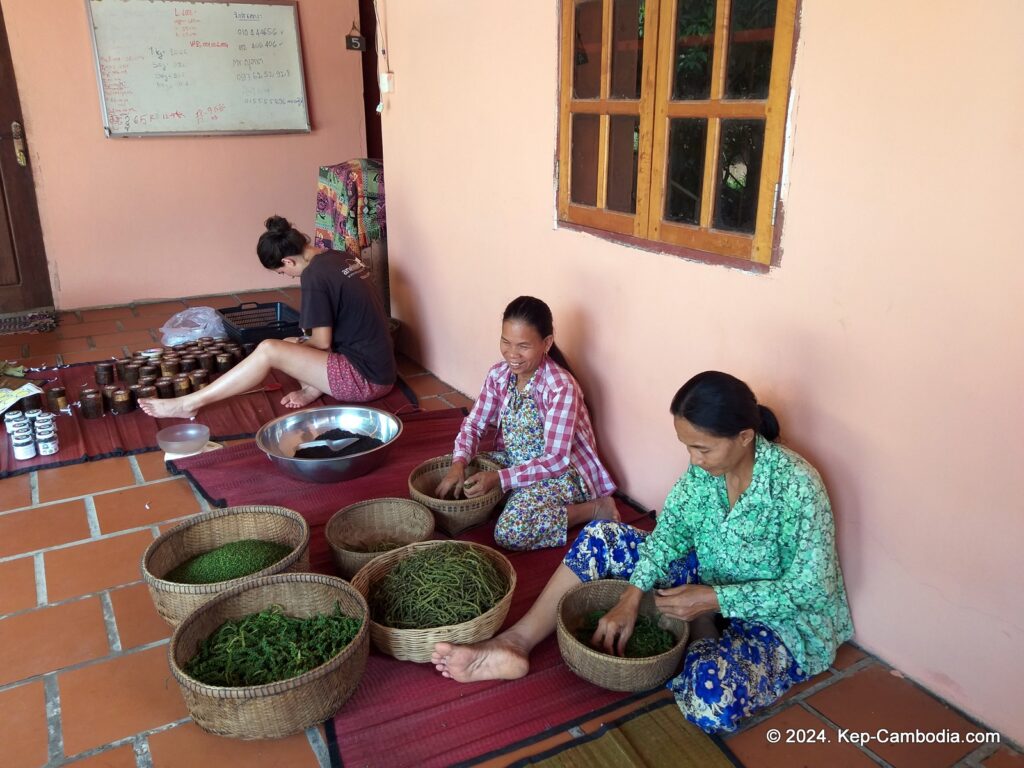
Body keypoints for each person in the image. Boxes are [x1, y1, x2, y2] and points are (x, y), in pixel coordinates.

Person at [432, 371, 854, 734]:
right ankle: (515, 643)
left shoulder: (797, 484)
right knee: (602, 538)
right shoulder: (706, 469)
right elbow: (669, 531)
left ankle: (702, 632)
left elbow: (812, 589)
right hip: (709, 576)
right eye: (687, 446)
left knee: (710, 699)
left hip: (779, 620)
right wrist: (633, 596)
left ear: (745, 437)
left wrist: (710, 601)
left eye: (702, 449)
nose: (693, 459)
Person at [139, 216, 395, 419]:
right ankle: (311, 389)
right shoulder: (338, 256)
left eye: (282, 272)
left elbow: (321, 344)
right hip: (380, 368)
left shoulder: (314, 276)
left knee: (270, 349)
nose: (288, 276)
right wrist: (296, 345)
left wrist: (286, 349)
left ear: (288, 261)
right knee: (293, 342)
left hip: (365, 380)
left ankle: (188, 403)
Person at [434, 296, 618, 551]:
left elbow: (555, 459)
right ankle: (513, 494)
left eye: (523, 346)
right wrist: (459, 463)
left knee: (511, 531)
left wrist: (499, 479)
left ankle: (594, 509)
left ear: (546, 343)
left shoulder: (560, 387)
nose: (512, 354)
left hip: (560, 473)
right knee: (462, 478)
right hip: (514, 461)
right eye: (505, 342)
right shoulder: (499, 375)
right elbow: (474, 424)